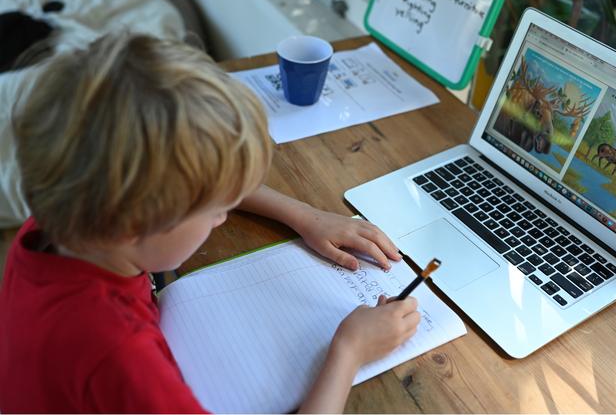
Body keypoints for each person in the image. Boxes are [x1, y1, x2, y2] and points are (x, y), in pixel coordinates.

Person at [0, 34, 420, 413]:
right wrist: (349, 351)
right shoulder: (118, 358)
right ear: (136, 221)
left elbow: (199, 174)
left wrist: (304, 216)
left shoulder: (63, 216)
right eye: (214, 208)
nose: (224, 215)